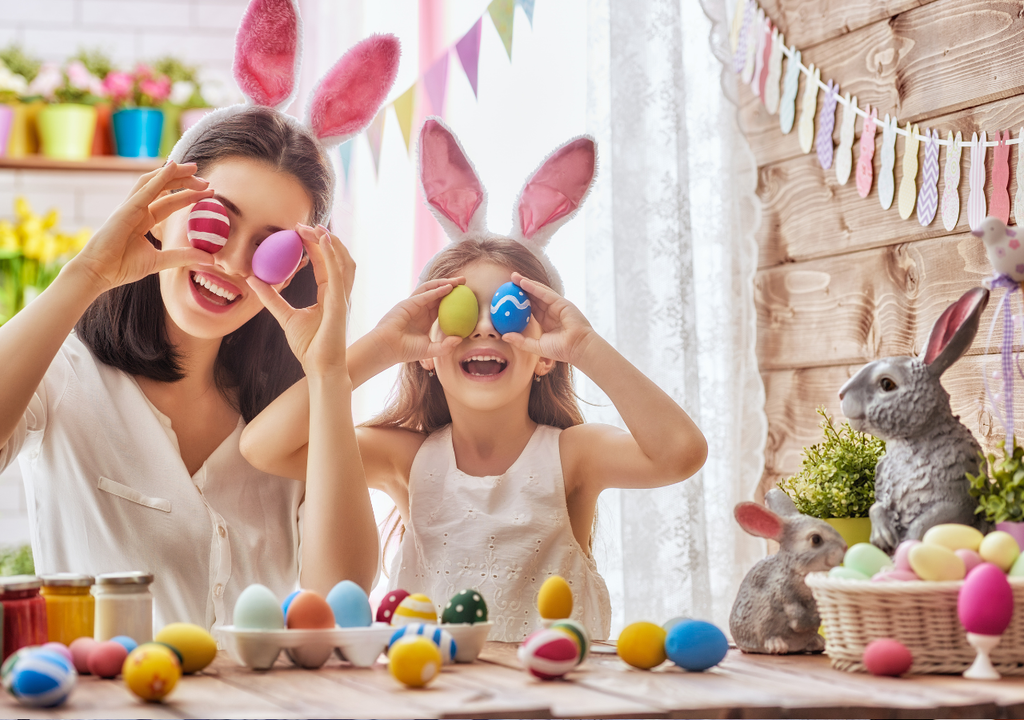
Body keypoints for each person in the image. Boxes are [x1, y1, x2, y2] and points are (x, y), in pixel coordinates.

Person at [0, 0, 400, 629]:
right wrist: (87, 274)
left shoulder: (287, 410)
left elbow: (340, 599)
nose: (233, 266)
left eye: (271, 247)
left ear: (298, 266)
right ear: (163, 207)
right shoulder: (64, 373)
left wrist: (328, 377)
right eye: (217, 222)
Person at [241, 119, 708, 641]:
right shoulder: (405, 459)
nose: (485, 324)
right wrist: (381, 346)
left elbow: (680, 453)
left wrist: (586, 347)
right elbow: (262, 448)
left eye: (510, 312)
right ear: (425, 349)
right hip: (434, 697)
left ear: (546, 354)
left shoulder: (573, 456)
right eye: (462, 311)